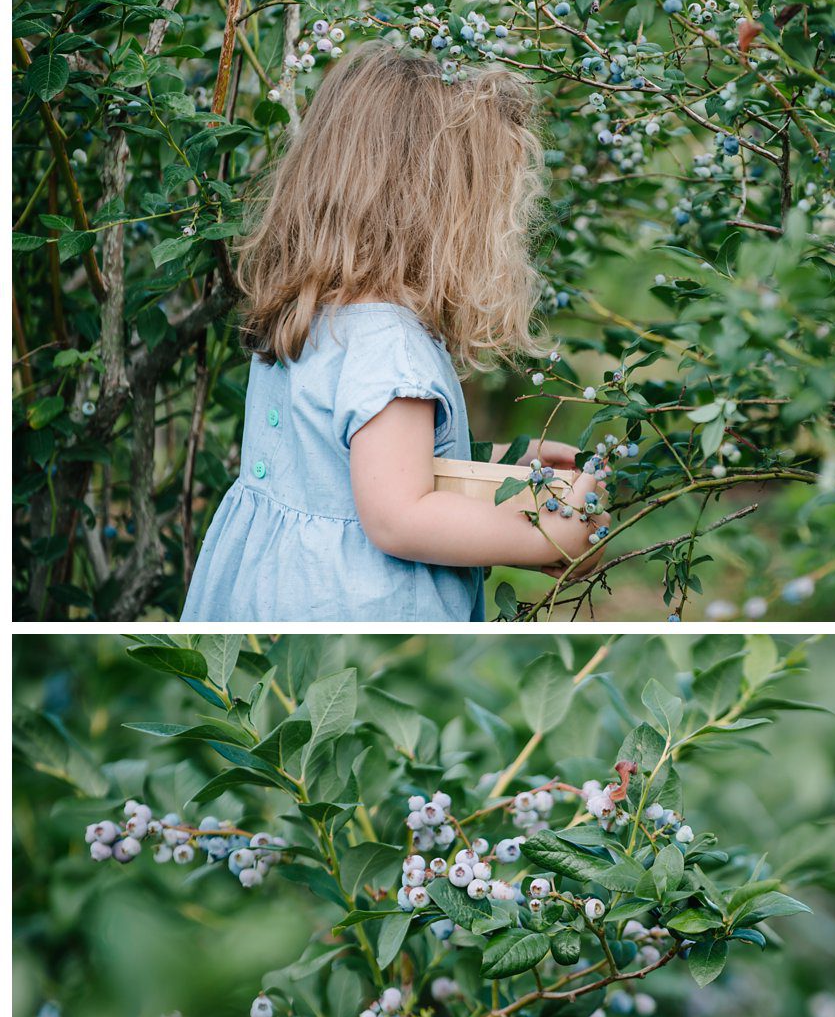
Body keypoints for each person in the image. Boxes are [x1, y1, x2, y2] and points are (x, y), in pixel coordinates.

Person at [181, 42, 604, 624]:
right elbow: (399, 516)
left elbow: (352, 467)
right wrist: (549, 535)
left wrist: (500, 466)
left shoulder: (311, 315)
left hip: (270, 591)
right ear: (439, 211)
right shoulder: (390, 346)